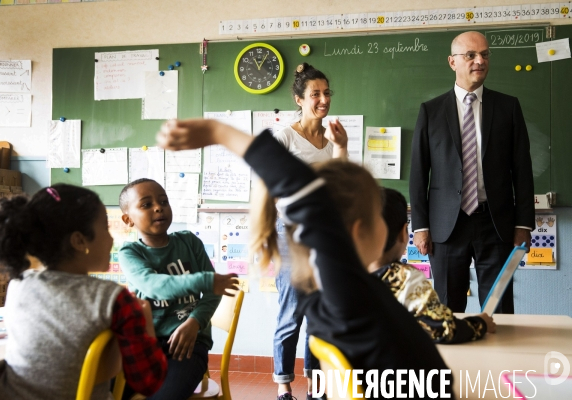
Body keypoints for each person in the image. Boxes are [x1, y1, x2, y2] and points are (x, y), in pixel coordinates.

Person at [157, 119, 453, 398]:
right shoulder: (354, 296)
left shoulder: (323, 293)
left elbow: (318, 201)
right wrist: (217, 132)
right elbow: (310, 196)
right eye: (378, 213)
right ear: (358, 230)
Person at [0, 184, 167, 400]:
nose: (111, 238)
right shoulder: (115, 299)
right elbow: (149, 382)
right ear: (79, 241)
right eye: (105, 228)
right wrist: (147, 322)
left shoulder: (19, 283)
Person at [409, 31, 535, 314]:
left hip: (497, 224)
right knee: (447, 309)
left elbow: (522, 170)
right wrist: (421, 227)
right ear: (452, 62)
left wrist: (523, 224)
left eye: (485, 54)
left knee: (499, 308)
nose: (480, 61)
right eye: (471, 55)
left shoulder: (508, 107)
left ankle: (501, 359)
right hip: (446, 226)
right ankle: (452, 361)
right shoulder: (431, 111)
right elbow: (418, 172)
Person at [118, 178, 239, 400]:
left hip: (189, 345)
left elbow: (213, 292)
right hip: (147, 345)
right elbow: (154, 286)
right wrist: (206, 280)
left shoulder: (189, 242)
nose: (158, 207)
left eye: (164, 201)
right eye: (146, 204)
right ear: (128, 220)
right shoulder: (130, 253)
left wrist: (194, 323)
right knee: (107, 388)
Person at [271, 63, 347, 400]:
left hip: (325, 234)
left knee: (320, 311)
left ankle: (316, 384)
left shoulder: (332, 138)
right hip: (291, 233)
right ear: (299, 99)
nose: (323, 99)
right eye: (315, 94)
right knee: (292, 310)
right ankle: (283, 385)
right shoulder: (284, 137)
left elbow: (344, 184)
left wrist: (342, 147)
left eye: (326, 93)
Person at [369, 188, 496, 343]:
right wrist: (480, 323)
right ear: (404, 232)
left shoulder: (342, 275)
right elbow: (445, 330)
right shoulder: (404, 278)